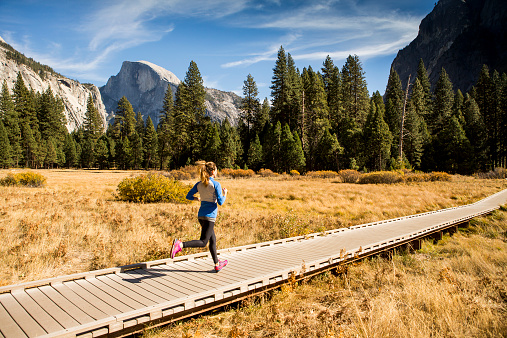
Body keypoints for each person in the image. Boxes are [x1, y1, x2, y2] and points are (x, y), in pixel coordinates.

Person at [171, 161, 228, 272]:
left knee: (213, 239)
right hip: (210, 217)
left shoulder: (199, 184)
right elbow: (221, 202)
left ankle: (217, 263)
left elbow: (188, 196)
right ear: (212, 171)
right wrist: (225, 194)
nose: (217, 172)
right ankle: (180, 245)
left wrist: (197, 199)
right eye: (216, 170)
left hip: (201, 216)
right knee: (203, 242)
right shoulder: (216, 184)